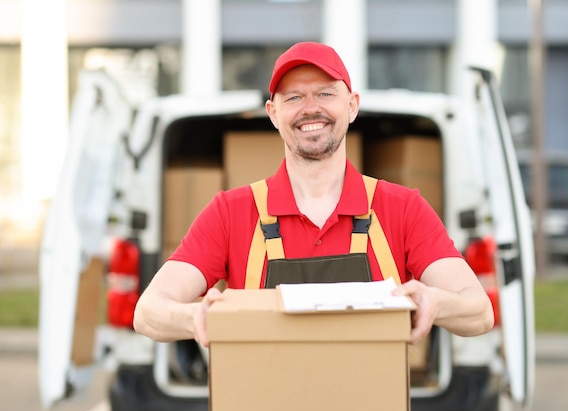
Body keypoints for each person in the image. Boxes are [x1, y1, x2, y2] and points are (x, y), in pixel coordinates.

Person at [133, 41, 494, 347]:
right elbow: (148, 312)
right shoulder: (231, 212)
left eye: (325, 93)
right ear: (273, 113)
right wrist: (195, 316)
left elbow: (479, 310)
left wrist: (433, 302)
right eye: (294, 97)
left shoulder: (401, 209)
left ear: (352, 105)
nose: (311, 108)